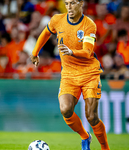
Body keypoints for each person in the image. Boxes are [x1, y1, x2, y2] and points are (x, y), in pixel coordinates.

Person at [30, 0, 110, 150]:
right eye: (66, 3)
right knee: (66, 109)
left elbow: (87, 52)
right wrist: (35, 53)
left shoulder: (89, 24)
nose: (69, 7)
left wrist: (72, 52)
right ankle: (85, 136)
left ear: (81, 4)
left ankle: (105, 148)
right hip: (68, 74)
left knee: (92, 117)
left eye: (73, 3)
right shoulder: (57, 20)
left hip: (89, 73)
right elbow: (46, 32)